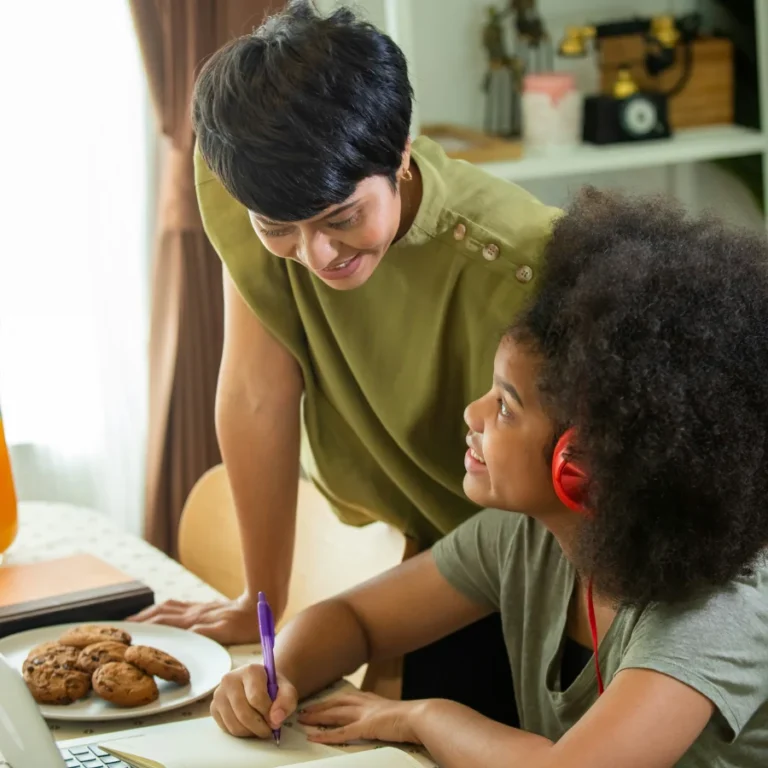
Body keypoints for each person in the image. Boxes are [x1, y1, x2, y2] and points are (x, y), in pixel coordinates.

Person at [209, 189, 768, 767]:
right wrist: (275, 675)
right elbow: (353, 620)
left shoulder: (711, 614)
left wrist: (424, 716)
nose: (473, 415)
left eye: (505, 406)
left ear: (584, 463)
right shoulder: (523, 538)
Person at [132, 0, 557, 724]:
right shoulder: (254, 178)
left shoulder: (523, 265)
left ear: (399, 155)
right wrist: (257, 600)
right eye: (278, 229)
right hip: (432, 564)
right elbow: (256, 392)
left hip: (538, 567)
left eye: (341, 219)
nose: (315, 255)